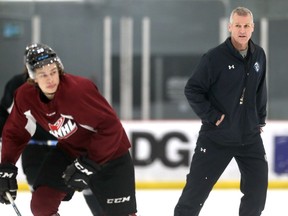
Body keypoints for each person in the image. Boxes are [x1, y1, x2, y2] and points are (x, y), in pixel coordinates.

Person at [0, 43, 137, 216]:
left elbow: (111, 128)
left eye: (53, 72)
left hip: (111, 156)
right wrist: (6, 166)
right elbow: (15, 132)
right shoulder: (24, 96)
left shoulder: (80, 90)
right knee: (42, 205)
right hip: (70, 151)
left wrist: (89, 163)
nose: (50, 79)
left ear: (59, 70)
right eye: (42, 75)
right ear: (33, 77)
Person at [174, 7, 268, 216]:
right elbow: (192, 89)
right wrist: (214, 117)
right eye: (237, 26)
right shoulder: (214, 58)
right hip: (217, 138)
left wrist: (259, 119)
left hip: (249, 137)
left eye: (246, 26)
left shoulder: (259, 55)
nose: (242, 30)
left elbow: (260, 88)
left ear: (252, 28)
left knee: (257, 194)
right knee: (193, 197)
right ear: (230, 27)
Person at [0, 56, 103, 215]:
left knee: (88, 183)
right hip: (34, 148)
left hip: (63, 148)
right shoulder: (17, 84)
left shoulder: (59, 83)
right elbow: (4, 110)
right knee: (41, 194)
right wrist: (7, 131)